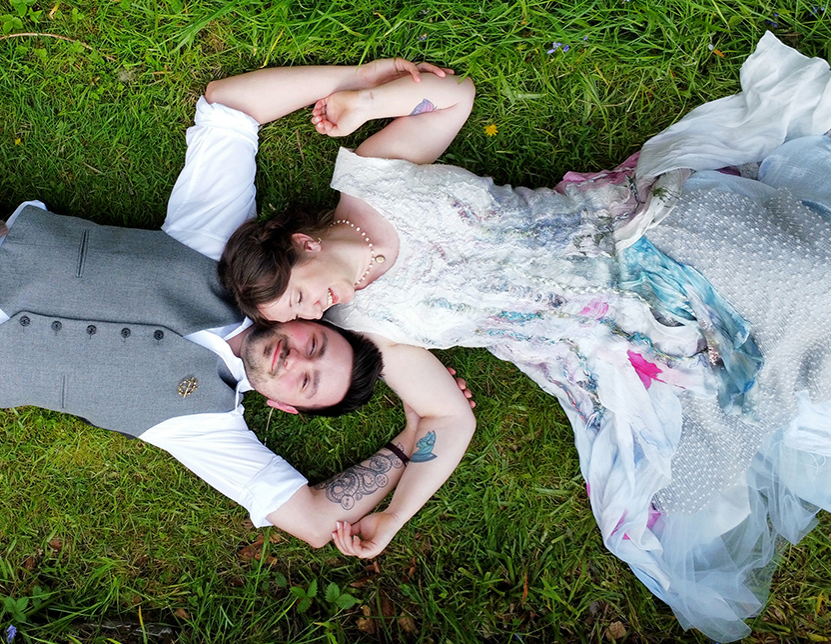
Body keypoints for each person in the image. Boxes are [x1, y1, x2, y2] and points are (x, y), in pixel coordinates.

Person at [217, 33, 831, 641]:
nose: (321, 307)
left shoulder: (369, 175)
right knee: (746, 402)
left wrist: (366, 102)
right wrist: (396, 516)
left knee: (820, 293)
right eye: (304, 314)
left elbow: (453, 97)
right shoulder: (367, 324)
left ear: (303, 242)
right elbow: (441, 416)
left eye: (304, 294)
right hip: (605, 340)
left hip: (627, 234)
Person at [0, 59, 475, 556]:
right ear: (302, 320)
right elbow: (230, 106)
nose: (296, 361)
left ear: (284, 407)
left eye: (306, 382)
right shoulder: (224, 255)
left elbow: (315, 522)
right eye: (314, 343)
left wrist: (404, 446)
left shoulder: (203, 423)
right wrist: (358, 81)